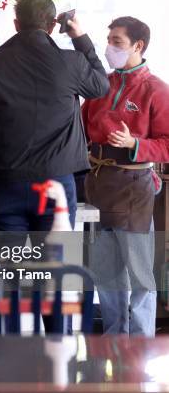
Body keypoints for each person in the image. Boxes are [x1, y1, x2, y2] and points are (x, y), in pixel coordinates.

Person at [0, 0, 110, 232]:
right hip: (55, 182)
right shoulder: (71, 63)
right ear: (53, 26)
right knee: (52, 265)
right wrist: (80, 38)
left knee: (5, 265)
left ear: (16, 24)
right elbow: (101, 86)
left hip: (4, 181)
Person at [82, 17, 168, 337]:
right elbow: (79, 129)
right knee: (105, 271)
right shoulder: (99, 85)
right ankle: (114, 339)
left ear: (138, 46)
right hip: (98, 184)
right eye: (109, 40)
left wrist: (136, 144)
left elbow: (168, 143)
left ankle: (143, 341)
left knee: (140, 273)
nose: (109, 48)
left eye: (116, 42)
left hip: (134, 189)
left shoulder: (156, 89)